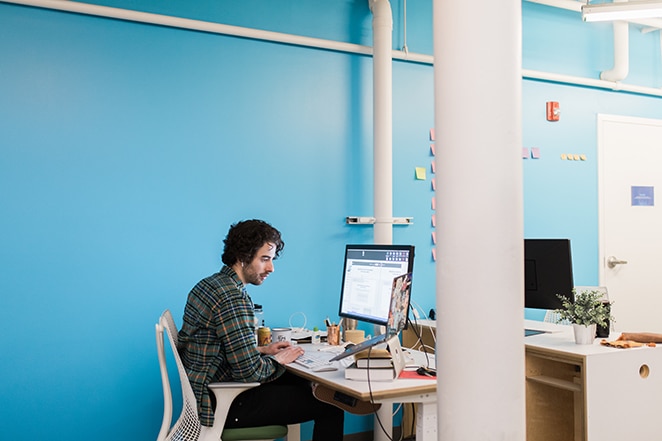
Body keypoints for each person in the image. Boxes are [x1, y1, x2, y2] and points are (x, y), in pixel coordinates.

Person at [178, 219, 344, 441]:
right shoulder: (232, 298)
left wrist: (262, 351)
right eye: (264, 259)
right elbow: (249, 373)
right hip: (224, 403)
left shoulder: (209, 285)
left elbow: (216, 347)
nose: (271, 268)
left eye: (272, 260)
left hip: (207, 390)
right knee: (331, 404)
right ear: (243, 256)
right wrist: (280, 360)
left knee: (302, 383)